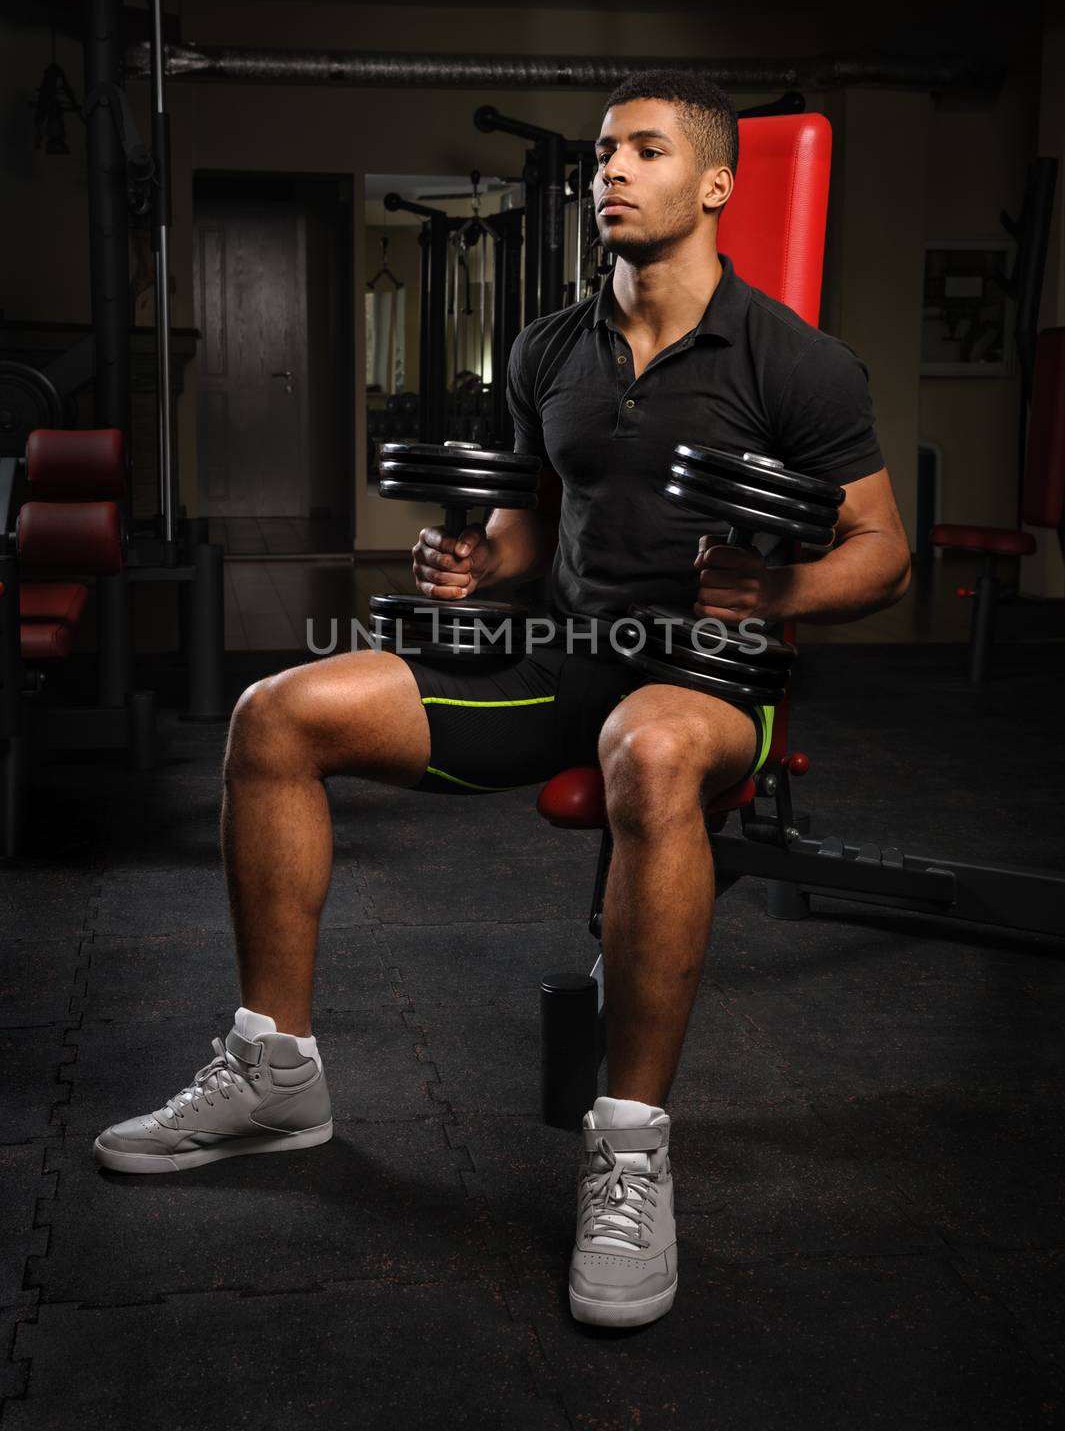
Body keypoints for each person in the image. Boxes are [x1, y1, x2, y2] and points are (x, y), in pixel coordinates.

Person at [93, 71, 911, 1331]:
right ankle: (275, 1072)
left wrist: (779, 586)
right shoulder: (549, 347)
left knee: (643, 745)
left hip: (707, 677)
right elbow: (533, 527)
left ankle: (630, 1146)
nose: (611, 173)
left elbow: (882, 547)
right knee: (274, 713)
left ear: (714, 185)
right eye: (602, 154)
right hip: (565, 656)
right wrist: (481, 563)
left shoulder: (798, 361)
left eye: (644, 151)